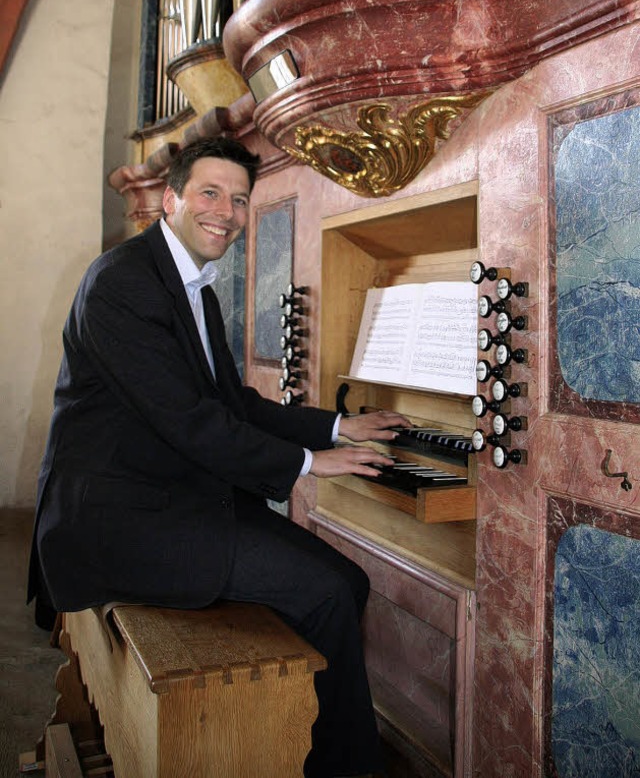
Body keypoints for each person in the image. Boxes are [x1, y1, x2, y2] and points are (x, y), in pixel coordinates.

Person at [28, 136, 411, 778]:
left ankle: (310, 748)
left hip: (171, 496)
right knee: (326, 595)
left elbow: (233, 405)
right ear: (171, 199)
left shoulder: (194, 290)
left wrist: (338, 426)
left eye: (239, 200)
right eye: (211, 193)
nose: (227, 212)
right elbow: (191, 422)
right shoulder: (122, 283)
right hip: (119, 521)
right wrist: (309, 466)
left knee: (348, 583)